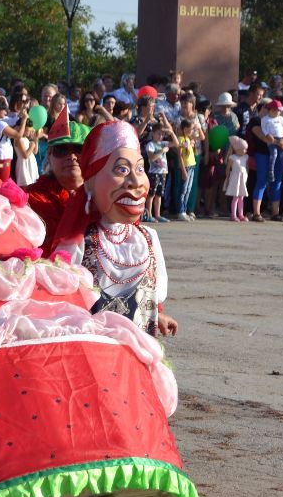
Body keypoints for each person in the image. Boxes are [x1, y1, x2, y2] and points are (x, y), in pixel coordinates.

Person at [53, 121, 178, 337]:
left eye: (140, 169)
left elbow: (150, 298)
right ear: (90, 182)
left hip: (139, 355)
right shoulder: (78, 241)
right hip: (93, 355)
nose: (135, 181)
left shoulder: (148, 238)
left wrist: (157, 316)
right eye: (122, 170)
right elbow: (60, 302)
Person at [24, 108, 89, 242]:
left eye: (78, 149)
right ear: (49, 155)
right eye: (61, 149)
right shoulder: (29, 199)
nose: (71, 156)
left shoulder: (103, 198)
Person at [224, 135, 250, 221]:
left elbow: (246, 167)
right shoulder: (232, 158)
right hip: (235, 179)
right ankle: (233, 215)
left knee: (241, 197)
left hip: (243, 179)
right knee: (235, 197)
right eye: (243, 149)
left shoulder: (245, 157)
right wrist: (227, 178)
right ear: (237, 149)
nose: (245, 151)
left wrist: (246, 177)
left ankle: (241, 214)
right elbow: (228, 169)